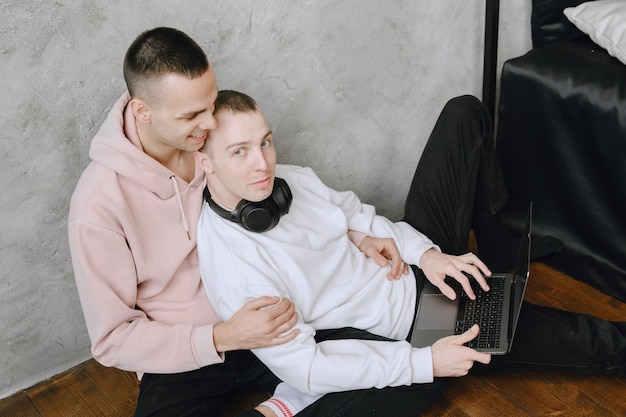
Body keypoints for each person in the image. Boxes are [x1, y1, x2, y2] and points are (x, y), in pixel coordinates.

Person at [196, 89, 626, 415]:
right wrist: (425, 362)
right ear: (206, 162)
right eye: (240, 151)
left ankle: (495, 243)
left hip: (416, 271)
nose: (263, 164)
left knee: (464, 112)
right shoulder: (238, 271)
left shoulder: (288, 181)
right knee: (592, 342)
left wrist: (426, 254)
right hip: (416, 329)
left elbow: (357, 214)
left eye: (265, 142)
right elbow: (307, 367)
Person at [68, 27, 419, 417]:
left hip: (281, 320)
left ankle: (288, 402)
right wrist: (221, 336)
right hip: (188, 352)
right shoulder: (98, 205)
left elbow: (294, 193)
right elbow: (113, 338)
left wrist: (355, 233)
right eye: (192, 115)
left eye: (211, 104)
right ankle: (294, 402)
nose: (209, 123)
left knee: (415, 365)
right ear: (142, 112)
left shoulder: (208, 140)